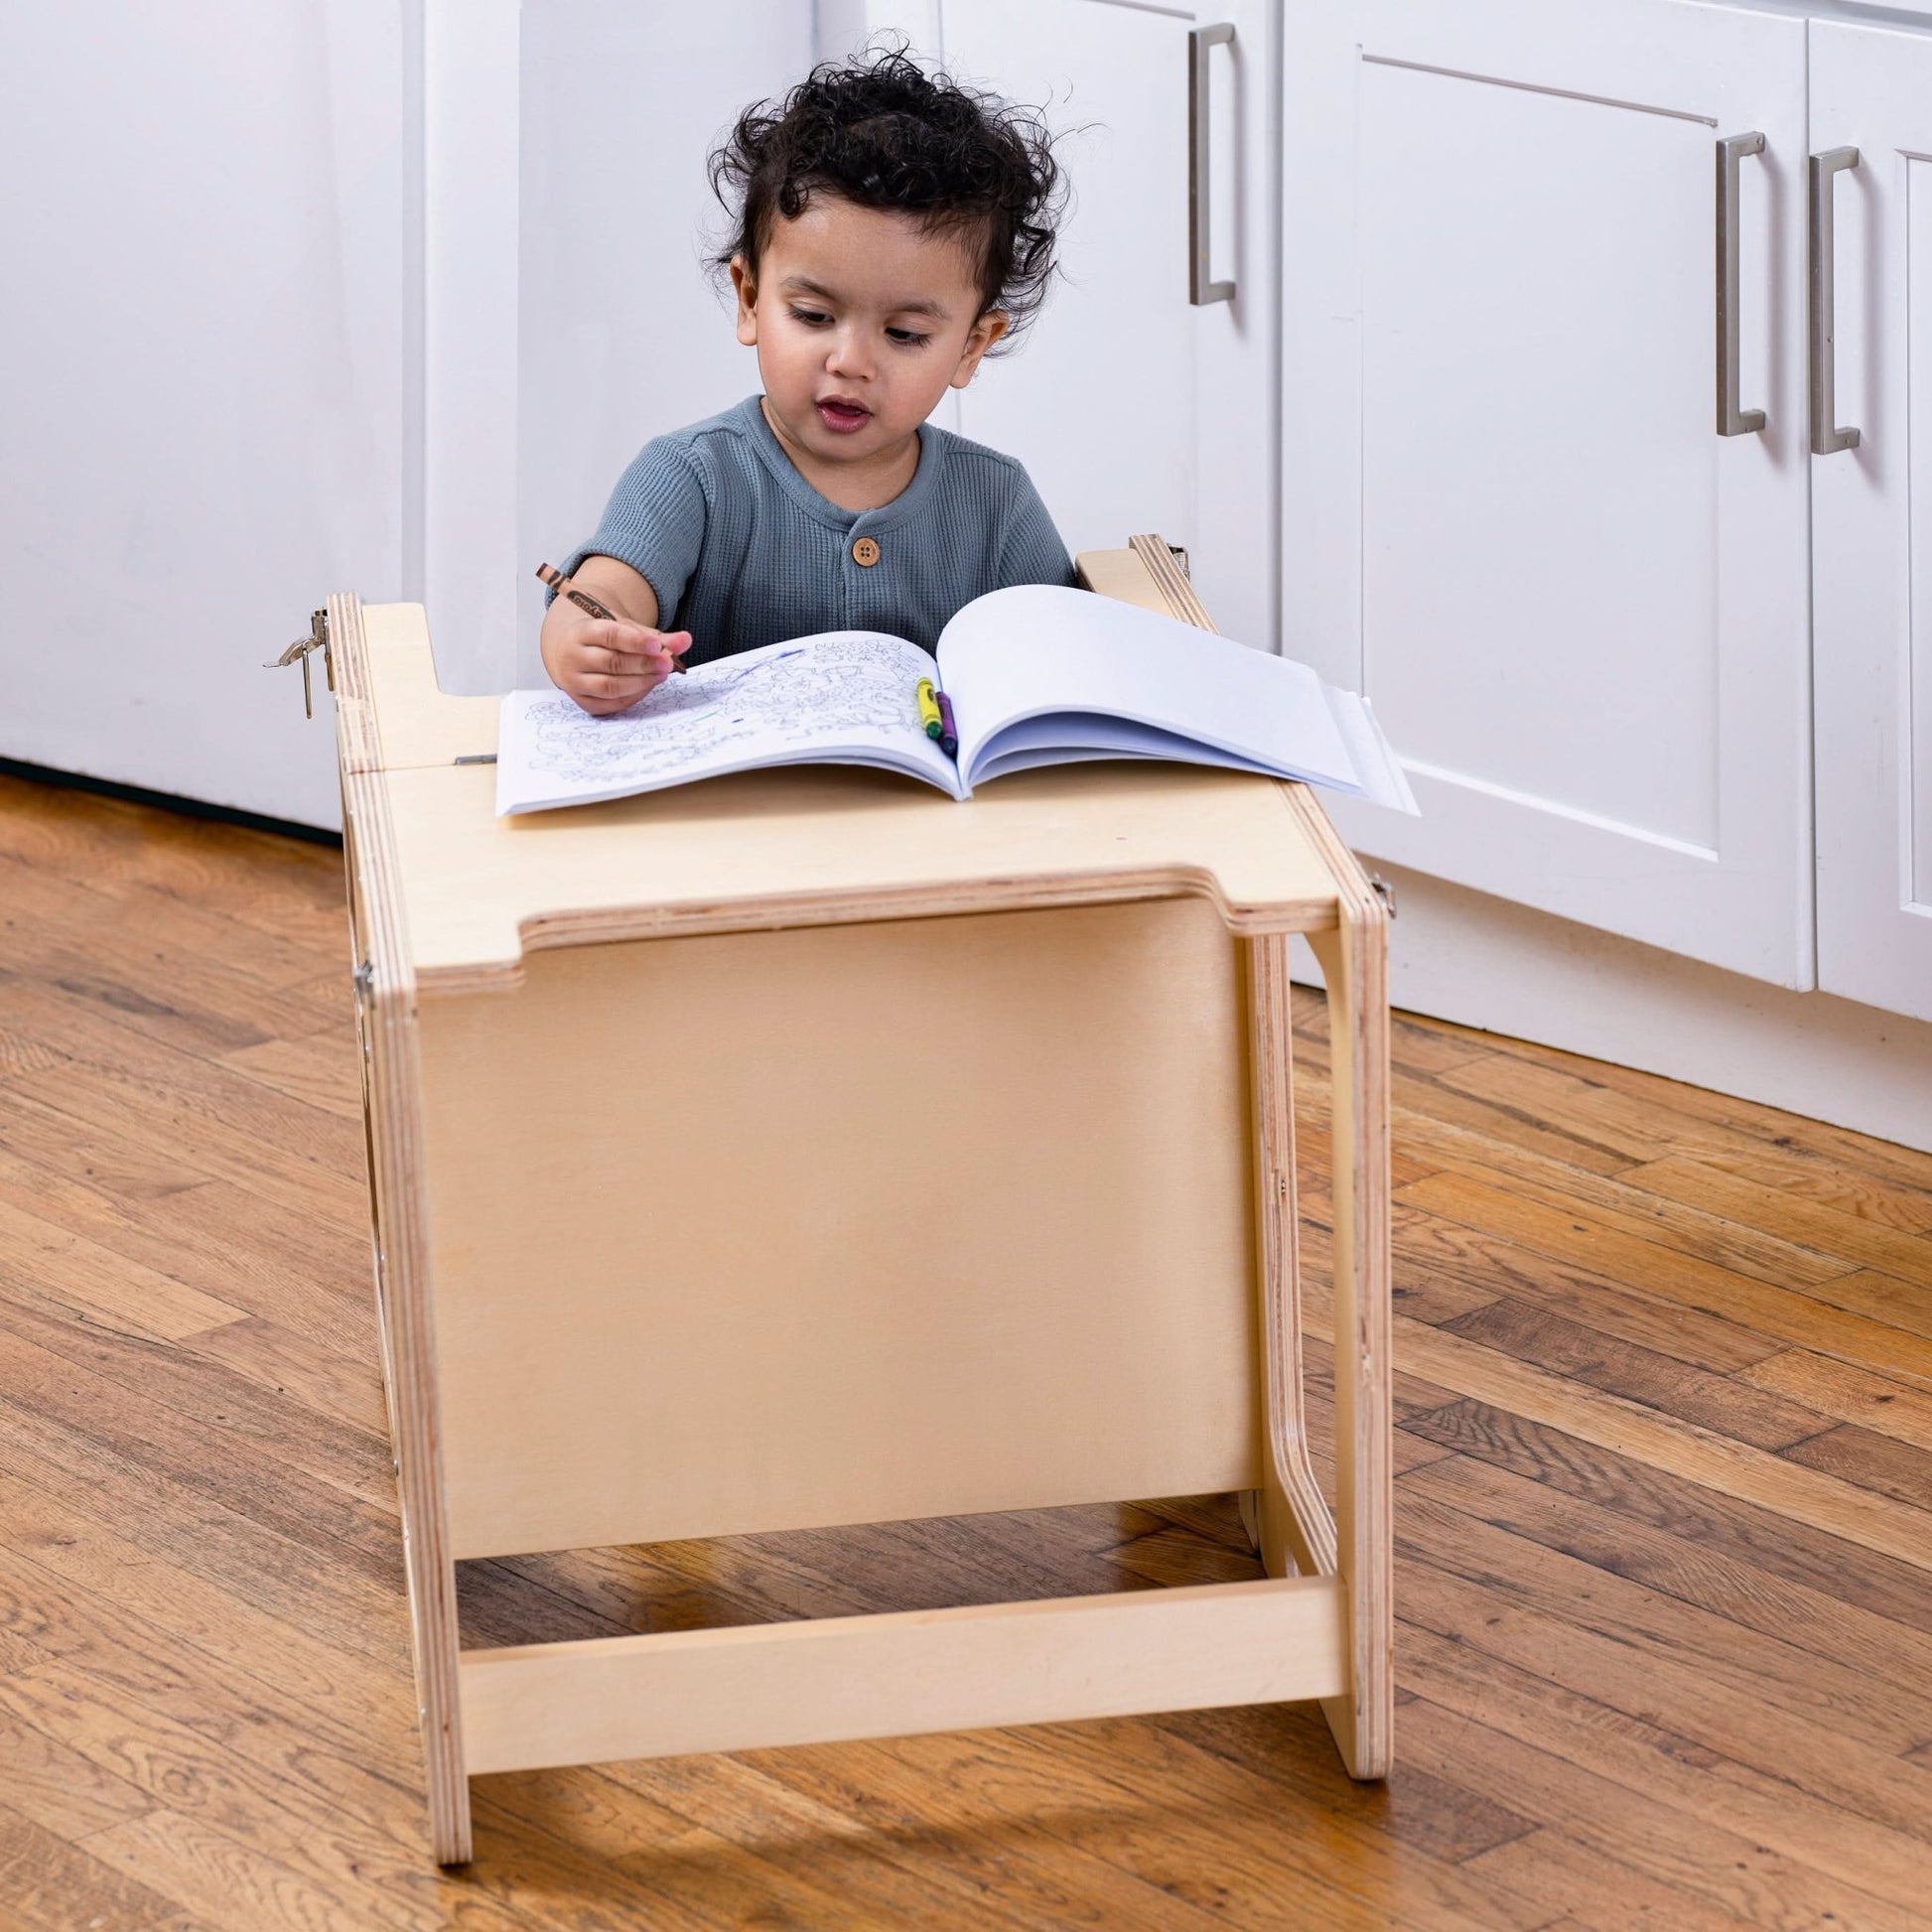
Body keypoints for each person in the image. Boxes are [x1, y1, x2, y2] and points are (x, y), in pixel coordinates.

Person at [540, 46, 1075, 716]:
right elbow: (605, 591)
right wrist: (588, 642)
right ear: (750, 298)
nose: (850, 361)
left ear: (972, 346)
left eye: (905, 333)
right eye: (814, 316)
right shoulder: (691, 475)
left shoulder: (997, 503)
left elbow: (1065, 650)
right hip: (736, 784)